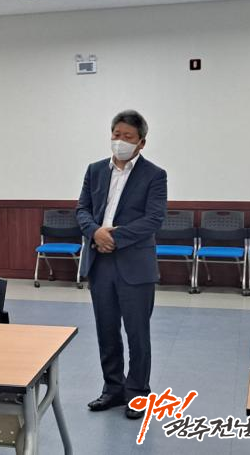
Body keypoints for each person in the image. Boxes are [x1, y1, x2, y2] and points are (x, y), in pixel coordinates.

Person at [75, 110, 167, 420]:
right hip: (100, 262)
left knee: (137, 333)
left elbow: (154, 219)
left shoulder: (155, 175)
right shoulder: (95, 170)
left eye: (128, 137)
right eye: (116, 135)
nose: (120, 141)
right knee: (106, 329)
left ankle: (138, 393)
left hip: (134, 264)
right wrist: (95, 233)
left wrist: (113, 238)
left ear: (142, 142)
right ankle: (112, 388)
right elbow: (82, 209)